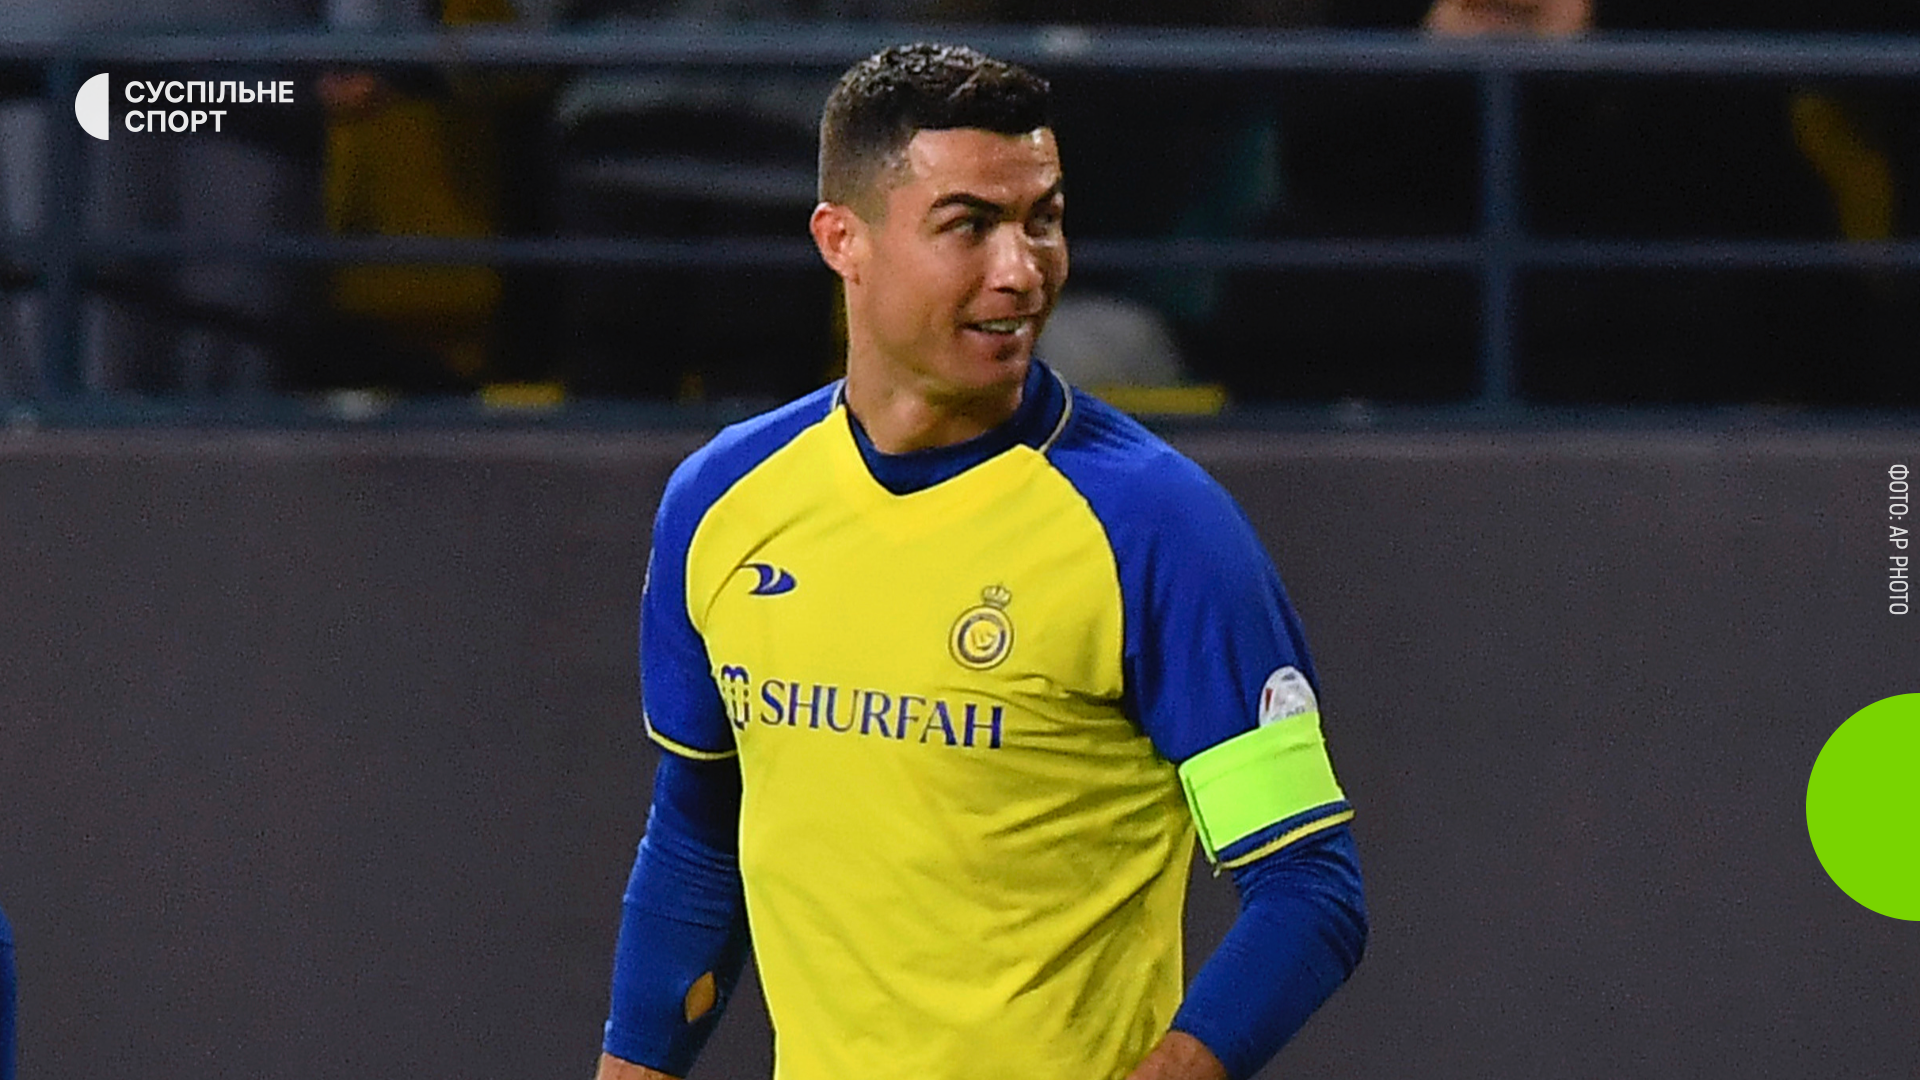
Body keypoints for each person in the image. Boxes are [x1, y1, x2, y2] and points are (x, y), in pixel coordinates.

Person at [595, 44, 1367, 1080]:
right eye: (969, 225)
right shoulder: (723, 502)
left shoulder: (1158, 528)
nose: (1021, 270)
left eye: (1042, 220)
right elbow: (698, 836)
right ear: (842, 240)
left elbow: (1308, 886)